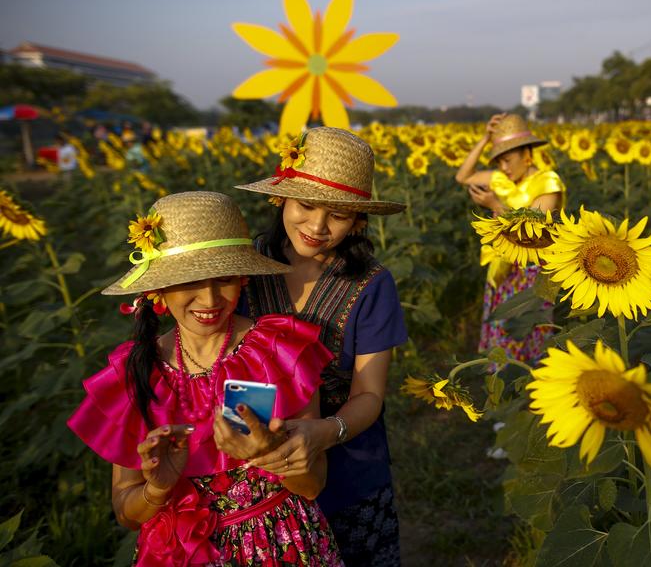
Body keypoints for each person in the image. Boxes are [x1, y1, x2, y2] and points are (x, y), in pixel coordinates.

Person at [67, 191, 343, 566]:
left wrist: (268, 453)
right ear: (158, 290)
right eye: (190, 282)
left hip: (283, 546)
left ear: (243, 278)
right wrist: (159, 486)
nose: (210, 298)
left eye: (224, 279)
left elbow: (314, 485)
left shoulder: (279, 350)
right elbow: (126, 513)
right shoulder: (137, 372)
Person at [236, 127, 408, 566]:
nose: (316, 226)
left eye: (338, 215)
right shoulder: (242, 268)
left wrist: (323, 431)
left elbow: (368, 394)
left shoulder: (371, 283)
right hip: (254, 479)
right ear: (281, 199)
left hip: (350, 469)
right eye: (306, 205)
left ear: (358, 221)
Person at [455, 113, 565, 365]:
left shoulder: (547, 183)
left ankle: (530, 385)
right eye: (499, 161)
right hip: (504, 269)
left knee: (529, 326)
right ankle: (503, 378)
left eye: (507, 159)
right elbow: (463, 177)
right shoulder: (501, 180)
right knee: (504, 326)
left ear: (526, 153)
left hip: (535, 270)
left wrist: (496, 205)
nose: (503, 167)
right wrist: (485, 139)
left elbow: (533, 229)